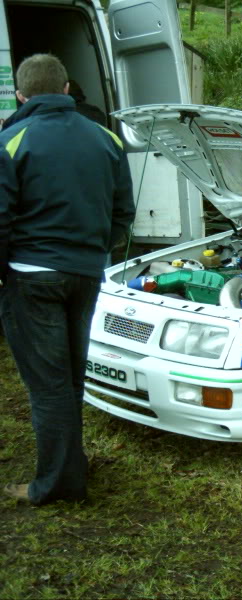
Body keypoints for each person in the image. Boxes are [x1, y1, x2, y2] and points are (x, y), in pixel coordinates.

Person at [0, 54, 135, 505]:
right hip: (85, 274)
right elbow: (123, 213)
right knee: (71, 377)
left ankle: (57, 484)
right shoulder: (106, 138)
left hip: (32, 277)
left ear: (21, 95)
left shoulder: (12, 138)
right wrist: (96, 252)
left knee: (48, 385)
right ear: (66, 88)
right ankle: (70, 465)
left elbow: (1, 217)